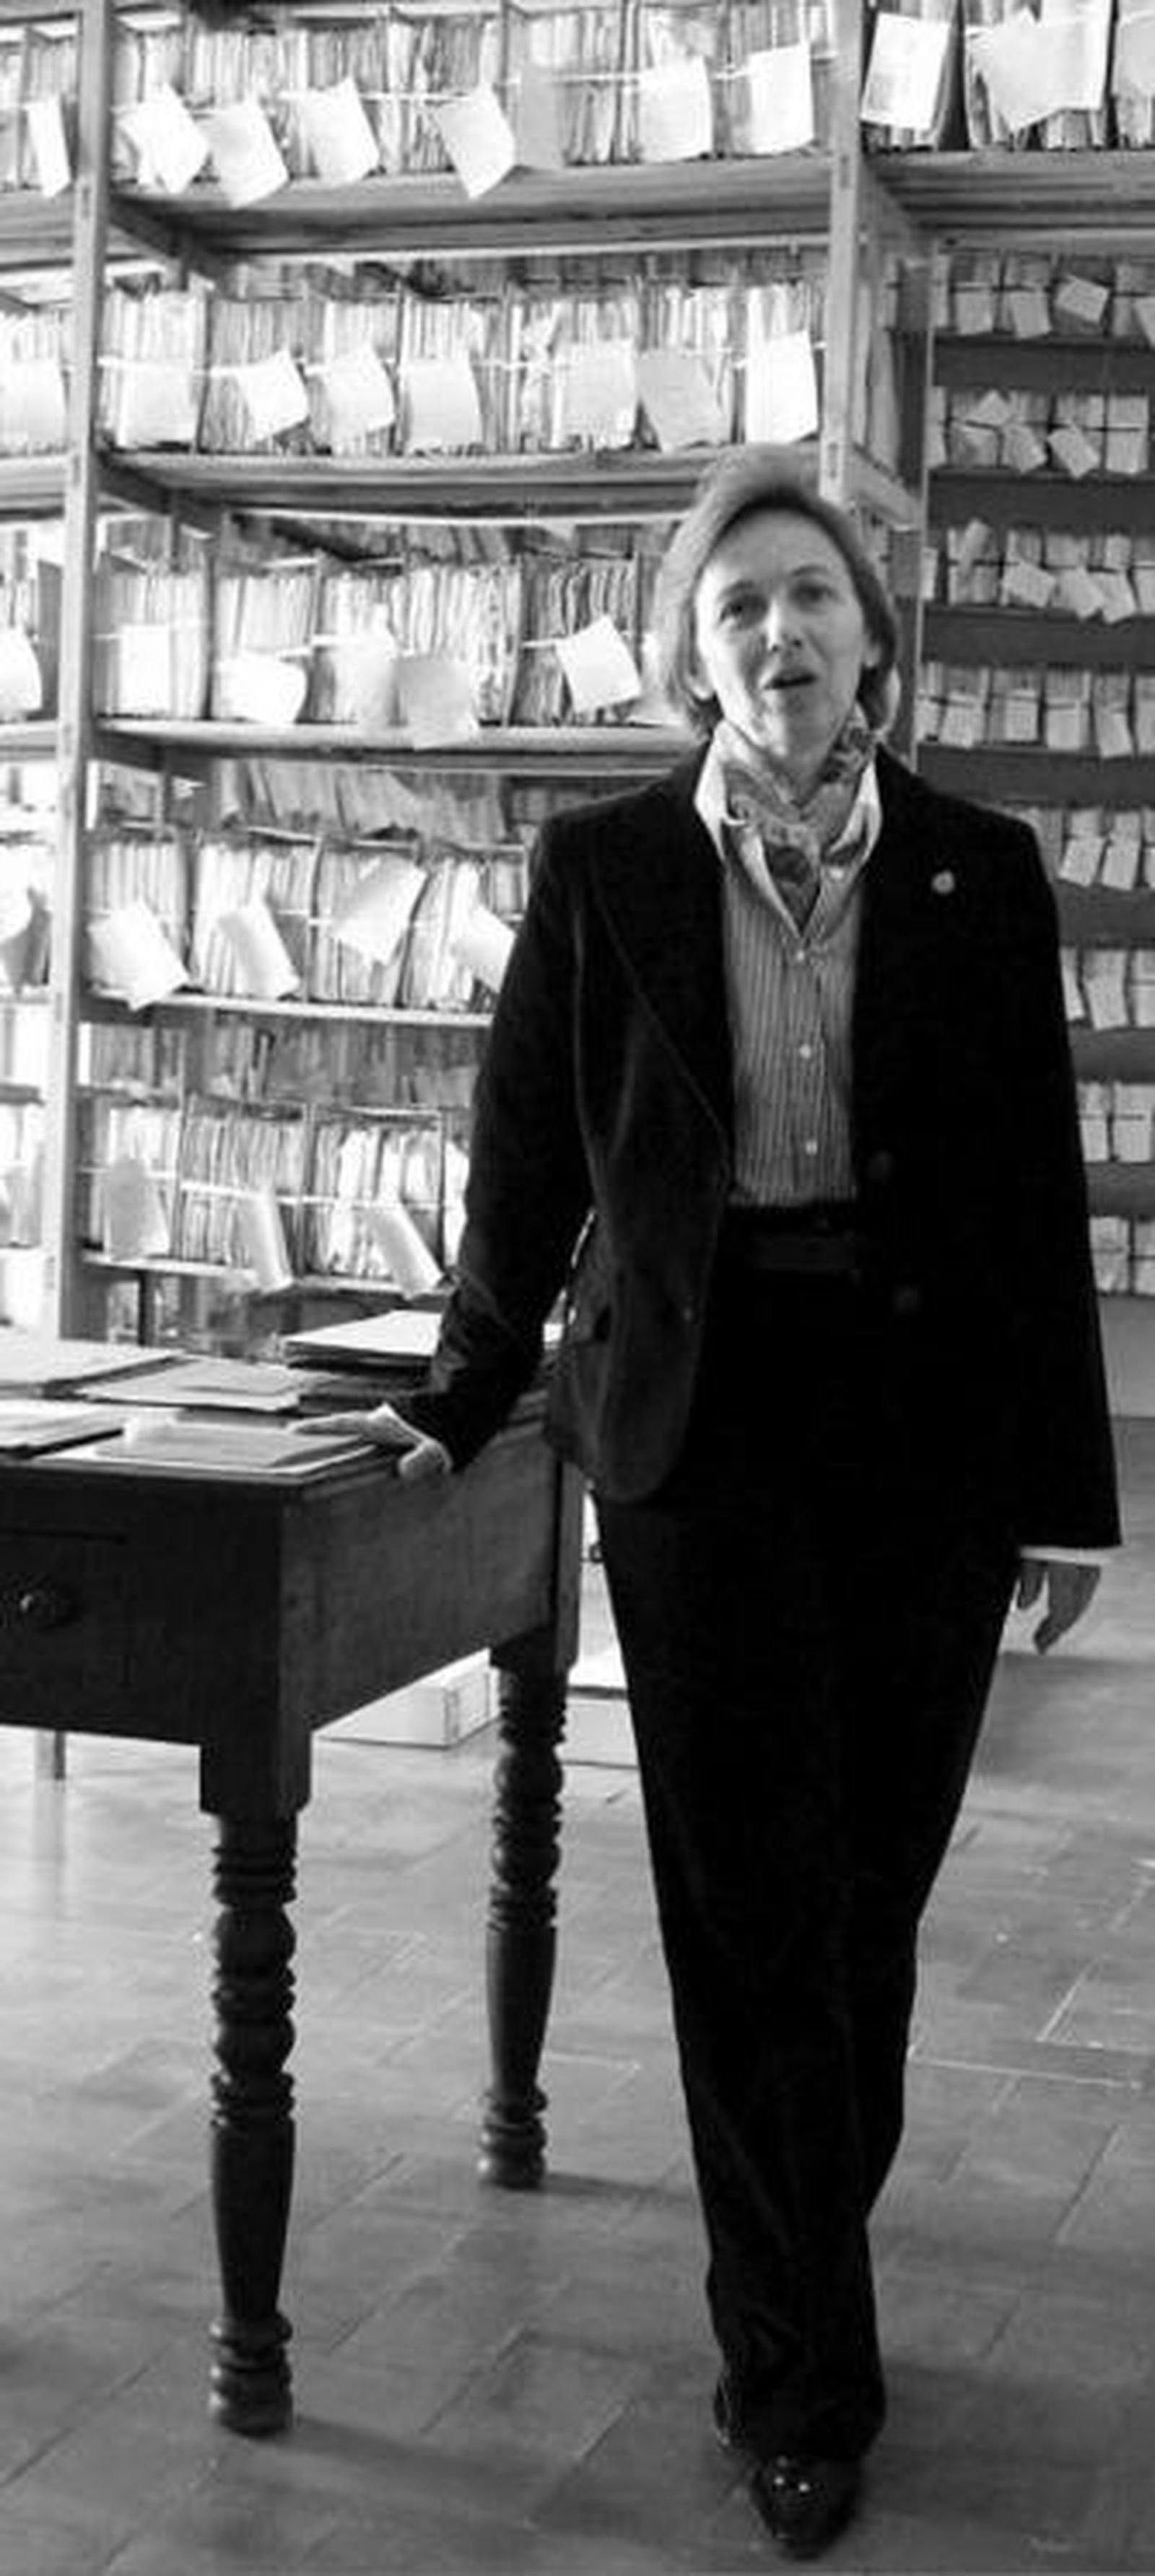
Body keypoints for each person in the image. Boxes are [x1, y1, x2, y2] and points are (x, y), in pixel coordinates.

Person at [322, 449, 1120, 2557]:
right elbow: (525, 1158)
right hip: (702, 1433)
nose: (781, 633)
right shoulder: (605, 871)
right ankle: (797, 2372)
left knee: (865, 1907)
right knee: (748, 1907)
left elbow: (1031, 1194)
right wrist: (460, 1392)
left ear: (873, 640)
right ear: (695, 656)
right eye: (740, 605)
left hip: (927, 1437)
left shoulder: (979, 871)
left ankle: (796, 2244)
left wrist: (1066, 1497)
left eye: (813, 598)